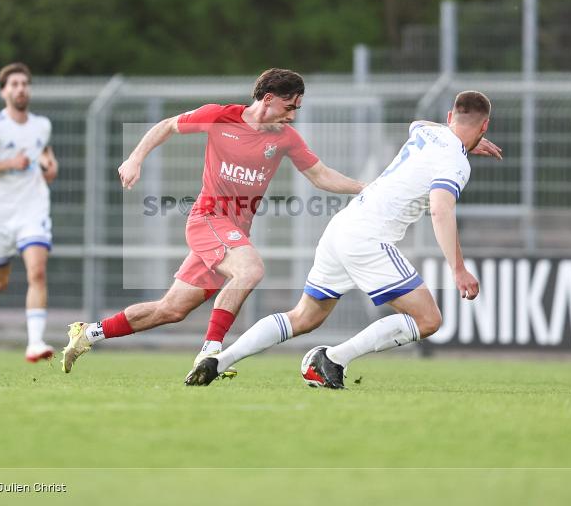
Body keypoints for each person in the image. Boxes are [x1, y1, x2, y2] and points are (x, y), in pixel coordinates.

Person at [61, 68, 366, 377]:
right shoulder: (220, 117)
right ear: (268, 99)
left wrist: (366, 188)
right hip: (207, 220)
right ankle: (211, 352)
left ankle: (88, 333)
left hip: (232, 234)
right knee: (250, 270)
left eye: (296, 109)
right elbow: (167, 126)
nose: (292, 116)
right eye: (288, 108)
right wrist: (134, 158)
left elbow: (321, 175)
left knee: (171, 309)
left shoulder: (286, 138)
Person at [185, 90, 499, 388]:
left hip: (341, 228)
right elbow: (441, 210)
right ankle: (333, 359)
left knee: (304, 317)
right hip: (368, 239)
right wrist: (458, 269)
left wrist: (460, 137)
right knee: (428, 320)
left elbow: (418, 122)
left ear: (450, 116)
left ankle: (219, 360)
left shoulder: (427, 132)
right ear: (484, 125)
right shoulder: (455, 162)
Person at [0, 63, 59, 362]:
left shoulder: (42, 125)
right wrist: (8, 164)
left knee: (37, 272)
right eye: (14, 84)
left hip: (33, 209)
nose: (20, 89)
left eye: (24, 84)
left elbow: (46, 155)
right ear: (4, 92)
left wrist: (50, 167)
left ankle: (35, 342)